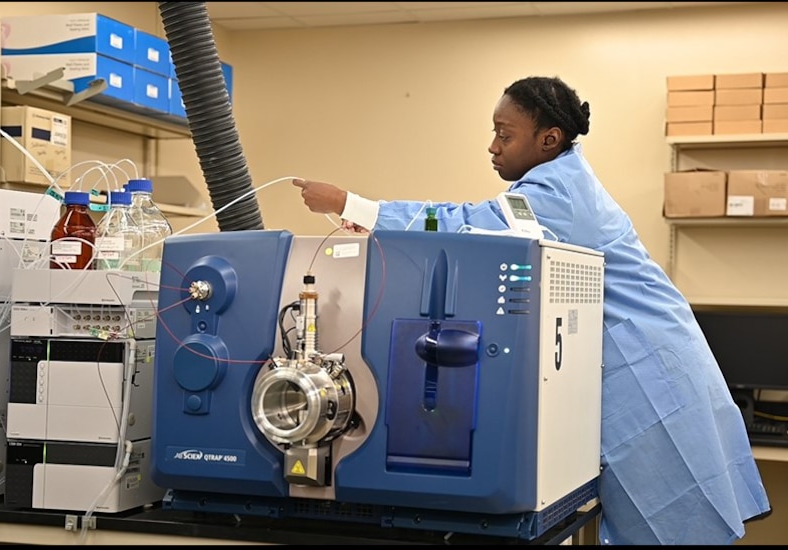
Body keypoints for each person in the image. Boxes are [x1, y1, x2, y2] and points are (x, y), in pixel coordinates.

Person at [292, 75, 771, 545]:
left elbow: (464, 222)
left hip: (650, 368)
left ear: (548, 139)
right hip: (642, 355)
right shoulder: (552, 185)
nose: (493, 146)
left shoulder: (557, 194)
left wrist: (351, 203)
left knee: (667, 504)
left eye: (505, 134)